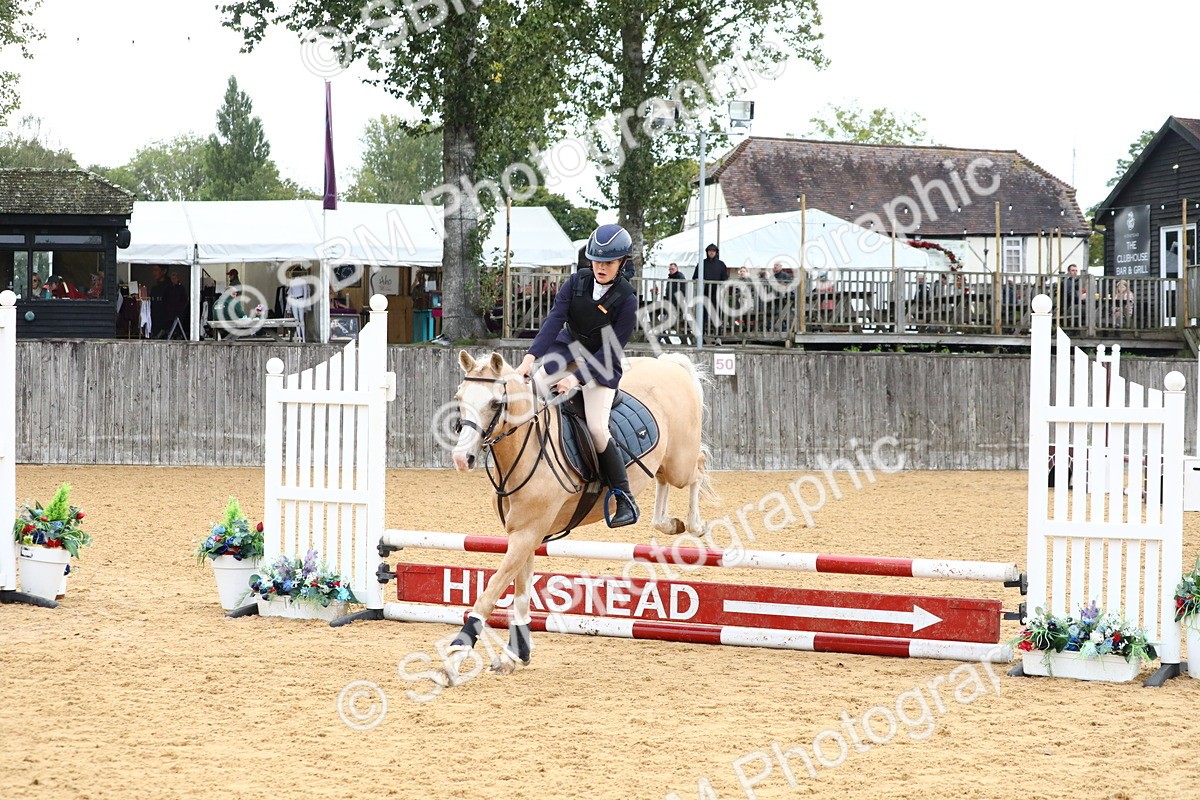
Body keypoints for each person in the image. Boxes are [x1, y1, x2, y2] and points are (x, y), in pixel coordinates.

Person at [514, 223, 640, 527]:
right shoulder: (575, 282)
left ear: (622, 262)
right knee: (532, 395)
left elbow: (609, 351)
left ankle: (623, 497)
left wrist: (575, 379)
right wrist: (529, 360)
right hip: (567, 351)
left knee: (597, 428)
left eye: (608, 262)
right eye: (597, 261)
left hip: (600, 364)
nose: (601, 267)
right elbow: (554, 320)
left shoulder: (628, 300)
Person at [693, 243, 728, 344]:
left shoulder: (721, 264)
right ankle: (700, 337)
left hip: (716, 295)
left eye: (713, 251)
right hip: (703, 294)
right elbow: (695, 277)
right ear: (707, 252)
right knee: (701, 316)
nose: (711, 252)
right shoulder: (701, 263)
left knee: (716, 316)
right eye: (710, 251)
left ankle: (717, 337)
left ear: (716, 252)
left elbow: (725, 279)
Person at [163, 270, 189, 339]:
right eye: (172, 278)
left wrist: (181, 308)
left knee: (178, 327)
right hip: (169, 312)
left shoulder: (181, 288)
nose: (173, 280)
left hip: (179, 312)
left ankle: (178, 336)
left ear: (178, 279)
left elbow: (185, 299)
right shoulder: (168, 288)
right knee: (169, 326)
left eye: (175, 278)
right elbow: (164, 299)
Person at [148, 264, 172, 338]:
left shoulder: (170, 288)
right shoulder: (154, 289)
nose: (154, 273)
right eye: (153, 270)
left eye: (156, 270)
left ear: (164, 271)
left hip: (165, 327)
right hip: (154, 325)